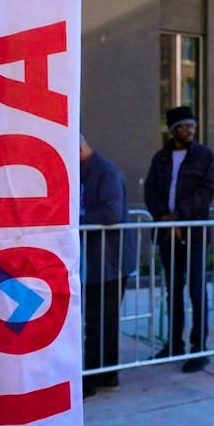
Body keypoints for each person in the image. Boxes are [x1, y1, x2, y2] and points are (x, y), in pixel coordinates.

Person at [143, 106, 214, 373]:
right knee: (173, 291)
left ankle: (200, 349)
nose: (190, 130)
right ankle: (174, 343)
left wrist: (179, 216)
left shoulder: (205, 156)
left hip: (193, 234)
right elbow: (150, 190)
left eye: (192, 126)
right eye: (185, 126)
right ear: (173, 130)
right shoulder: (160, 158)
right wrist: (164, 217)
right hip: (168, 235)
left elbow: (207, 191)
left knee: (197, 291)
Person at [80, 135, 137, 399]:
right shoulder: (89, 170)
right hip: (99, 259)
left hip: (110, 260)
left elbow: (112, 213)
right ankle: (106, 374)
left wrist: (77, 220)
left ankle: (94, 378)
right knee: (101, 320)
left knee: (99, 321)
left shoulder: (105, 171)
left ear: (80, 148)